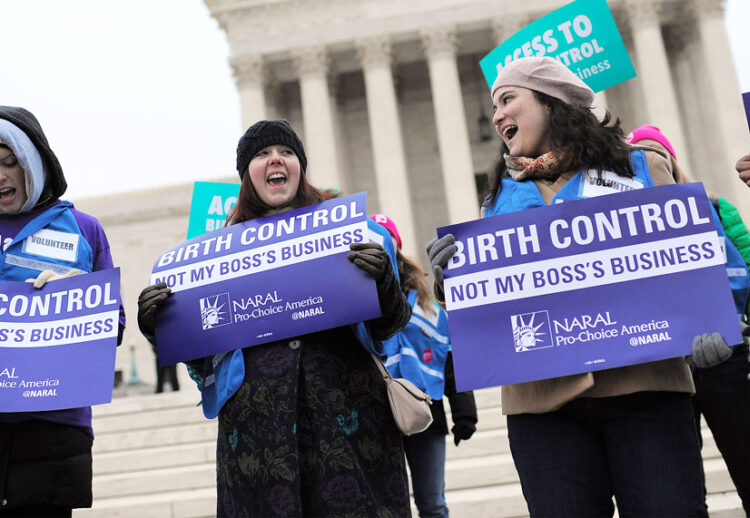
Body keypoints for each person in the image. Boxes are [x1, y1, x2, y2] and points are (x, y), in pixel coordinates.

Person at [426, 57, 725, 516]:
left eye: (508, 99)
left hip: (646, 390)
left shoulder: (640, 167)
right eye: (494, 105)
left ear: (553, 101)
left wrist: (712, 323)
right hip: (541, 409)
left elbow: (695, 257)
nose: (497, 115)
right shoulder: (498, 197)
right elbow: (494, 303)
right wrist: (452, 280)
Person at [137, 119, 412, 517]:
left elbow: (391, 324)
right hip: (256, 444)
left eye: (285, 152)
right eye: (262, 154)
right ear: (246, 175)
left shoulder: (350, 230)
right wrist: (159, 325)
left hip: (348, 426)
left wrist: (384, 281)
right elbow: (200, 356)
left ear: (300, 167)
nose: (275, 160)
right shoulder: (213, 257)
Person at [630, 126, 750, 516]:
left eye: (656, 155)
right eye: (639, 158)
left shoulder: (720, 209)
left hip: (731, 361)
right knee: (681, 490)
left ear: (672, 161)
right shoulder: (625, 228)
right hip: (667, 369)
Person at [0, 106, 124, 517]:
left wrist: (75, 298)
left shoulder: (83, 229)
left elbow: (114, 324)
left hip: (53, 428)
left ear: (32, 162)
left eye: (8, 163)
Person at [372, 213, 477, 518]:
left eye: (385, 237)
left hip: (425, 412)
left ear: (396, 245)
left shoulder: (426, 301)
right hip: (375, 414)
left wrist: (464, 411)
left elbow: (448, 353)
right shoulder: (355, 294)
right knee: (387, 506)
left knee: (432, 504)